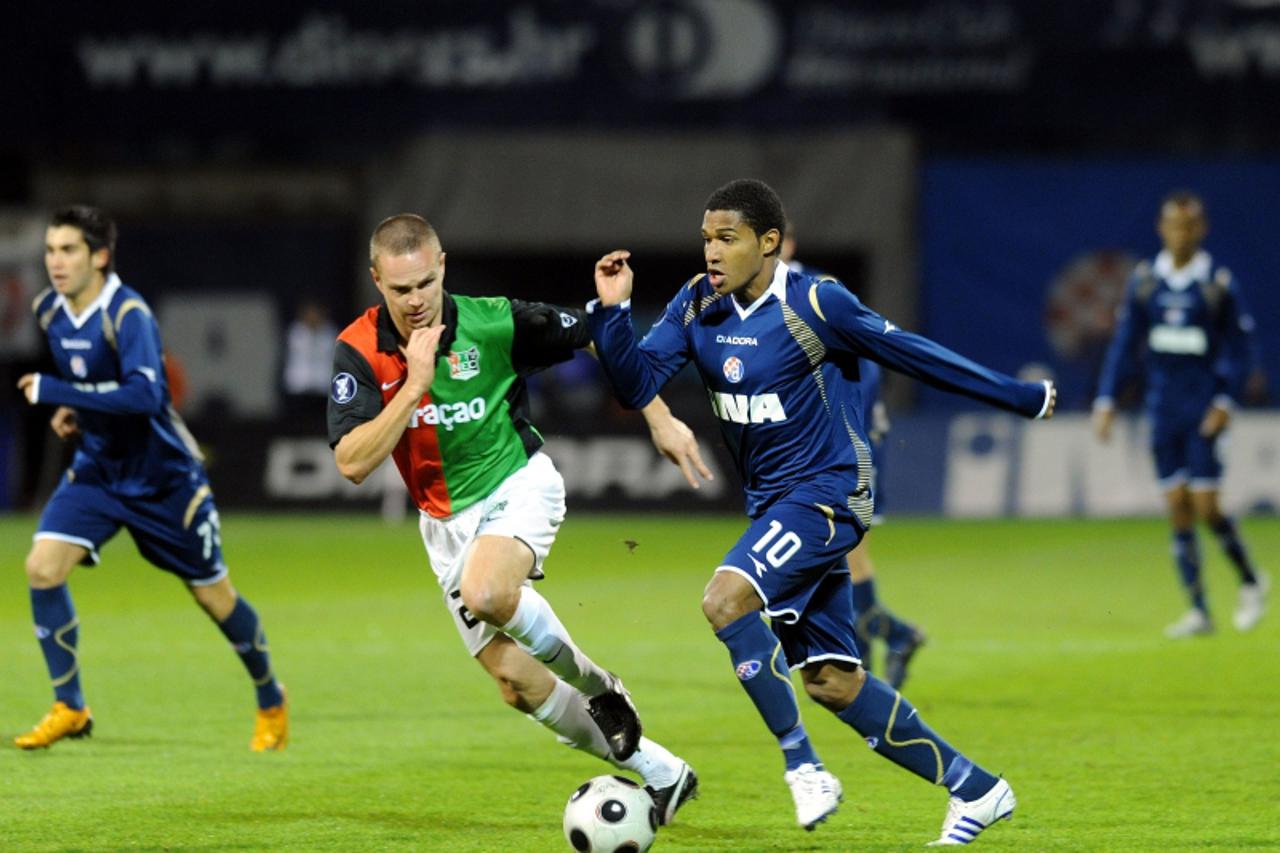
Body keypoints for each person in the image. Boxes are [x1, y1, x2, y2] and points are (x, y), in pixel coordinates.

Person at [588, 179, 1056, 844]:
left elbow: (912, 353)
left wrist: (1016, 395)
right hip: (773, 503)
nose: (711, 252)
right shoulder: (697, 306)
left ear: (769, 242)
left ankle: (803, 764)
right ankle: (978, 788)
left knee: (726, 600)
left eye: (727, 238)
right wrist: (614, 311)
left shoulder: (814, 301)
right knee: (833, 680)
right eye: (706, 238)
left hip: (831, 489)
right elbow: (636, 383)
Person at [327, 214, 706, 824]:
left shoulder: (494, 320)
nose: (416, 300)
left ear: (441, 266)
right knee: (517, 684)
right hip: (443, 525)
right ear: (376, 280)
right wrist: (414, 384)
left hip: (517, 484)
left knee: (488, 590)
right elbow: (351, 462)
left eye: (425, 283)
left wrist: (658, 416)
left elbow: (598, 338)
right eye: (400, 290)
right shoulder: (358, 349)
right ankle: (663, 772)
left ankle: (599, 688)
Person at [15, 205, 288, 751]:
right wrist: (77, 415)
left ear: (100, 256)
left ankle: (270, 698)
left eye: (68, 250)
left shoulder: (128, 312)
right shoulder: (50, 310)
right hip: (97, 471)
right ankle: (70, 706)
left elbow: (147, 395)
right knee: (42, 568)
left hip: (163, 481)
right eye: (50, 250)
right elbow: (95, 384)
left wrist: (57, 393)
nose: (55, 262)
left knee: (215, 598)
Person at [1093, 191, 1267, 638]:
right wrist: (1107, 400)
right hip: (1162, 409)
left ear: (1201, 230)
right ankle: (1200, 611)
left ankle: (1251, 581)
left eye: (1189, 226)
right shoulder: (1147, 282)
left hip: (1203, 410)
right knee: (1176, 507)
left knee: (1206, 506)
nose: (1181, 233)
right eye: (1173, 225)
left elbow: (1242, 349)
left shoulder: (1216, 285)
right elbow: (1124, 345)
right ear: (1161, 228)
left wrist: (1225, 402)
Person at [779, 227, 926, 688]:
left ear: (785, 244)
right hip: (804, 451)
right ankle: (884, 643)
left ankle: (867, 658)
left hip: (840, 449)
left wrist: (857, 429)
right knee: (837, 561)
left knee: (847, 559)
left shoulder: (815, 293)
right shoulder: (744, 303)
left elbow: (866, 355)